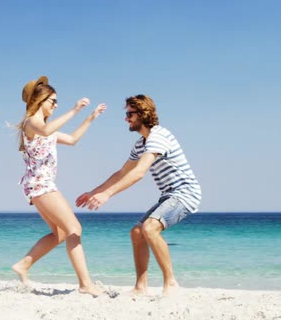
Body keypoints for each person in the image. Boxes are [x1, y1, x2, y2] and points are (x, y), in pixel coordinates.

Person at [76, 94, 201, 296]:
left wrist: (107, 194)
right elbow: (122, 172)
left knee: (150, 228)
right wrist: (94, 191)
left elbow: (139, 172)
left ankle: (171, 283)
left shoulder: (158, 136)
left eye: (129, 114)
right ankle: (140, 287)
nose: (126, 119)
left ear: (143, 114)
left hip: (185, 192)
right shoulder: (140, 144)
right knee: (137, 232)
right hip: (168, 195)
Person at [12, 75, 106, 297]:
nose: (55, 105)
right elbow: (44, 131)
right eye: (52, 101)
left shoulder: (46, 127)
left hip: (38, 187)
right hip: (42, 186)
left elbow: (72, 139)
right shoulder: (31, 122)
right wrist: (74, 110)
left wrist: (90, 118)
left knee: (61, 234)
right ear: (40, 100)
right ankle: (85, 284)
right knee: (75, 229)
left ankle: (24, 265)